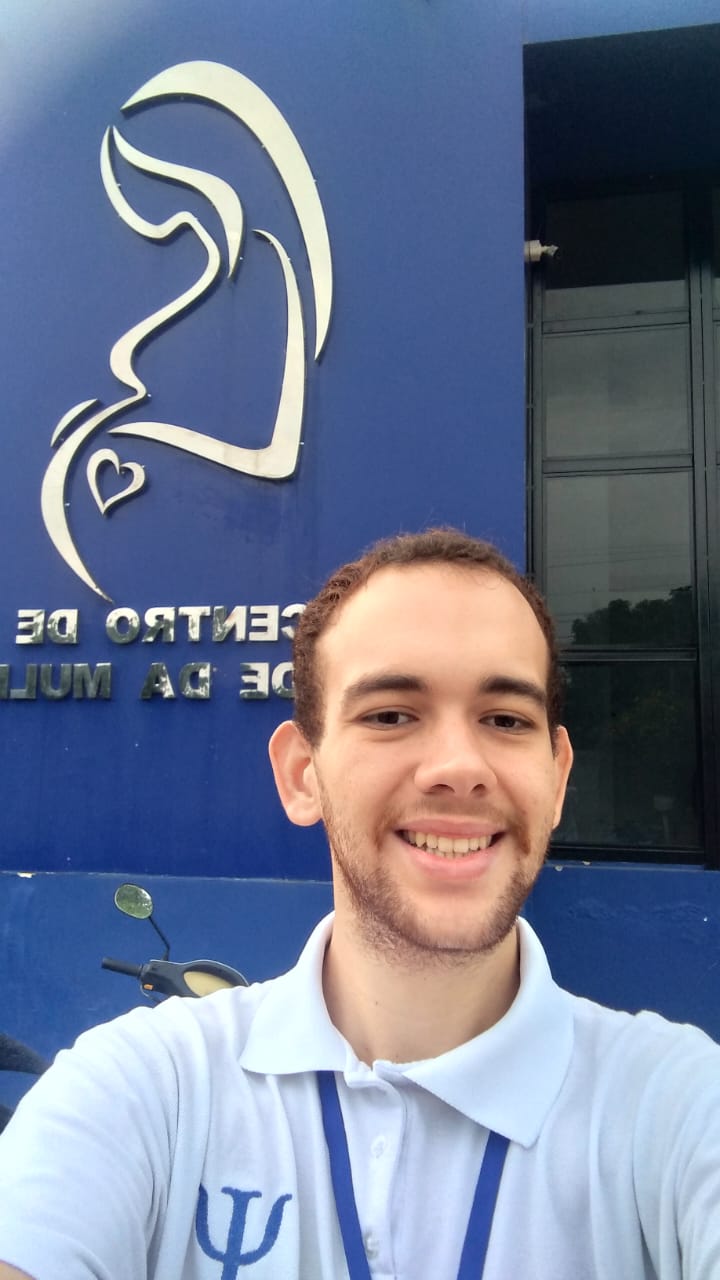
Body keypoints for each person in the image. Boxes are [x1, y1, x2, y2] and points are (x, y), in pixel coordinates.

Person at [0, 527, 718, 1279]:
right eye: (390, 715)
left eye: (505, 719)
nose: (459, 767)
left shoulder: (676, 1108)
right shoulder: (146, 1089)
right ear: (301, 774)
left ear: (558, 776)